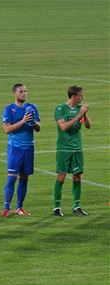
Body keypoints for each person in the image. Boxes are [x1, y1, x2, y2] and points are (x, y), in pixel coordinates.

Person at [0, 84, 41, 217]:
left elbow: (39, 127)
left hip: (29, 148)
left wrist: (33, 123)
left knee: (24, 178)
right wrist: (23, 121)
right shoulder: (9, 109)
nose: (24, 93)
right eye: (21, 91)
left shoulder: (32, 107)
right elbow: (6, 129)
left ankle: (19, 207)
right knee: (12, 178)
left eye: (25, 91)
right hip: (15, 149)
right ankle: (6, 208)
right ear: (15, 93)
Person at [53, 86, 91, 217]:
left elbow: (88, 126)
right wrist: (79, 115)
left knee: (77, 176)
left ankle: (77, 206)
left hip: (77, 148)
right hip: (64, 148)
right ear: (73, 96)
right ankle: (57, 207)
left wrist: (84, 114)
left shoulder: (80, 109)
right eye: (80, 95)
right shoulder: (60, 109)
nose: (82, 97)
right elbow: (63, 127)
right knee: (61, 177)